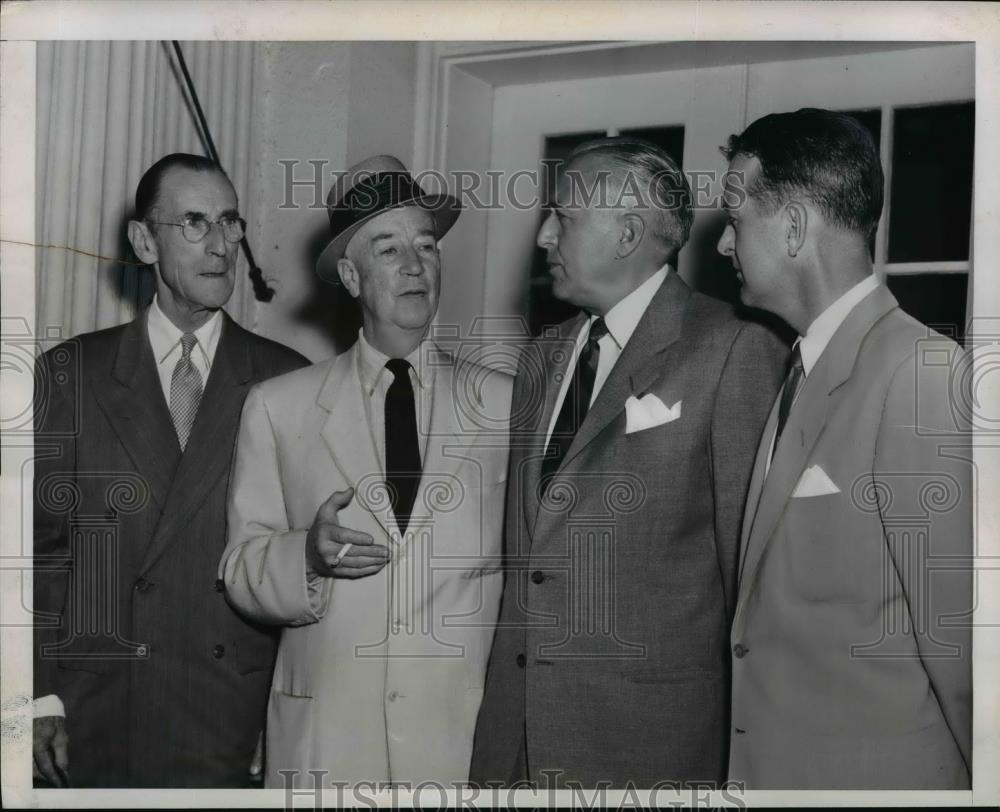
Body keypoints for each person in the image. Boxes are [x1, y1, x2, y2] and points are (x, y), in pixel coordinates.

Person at [469, 137, 787, 788]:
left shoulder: (735, 351)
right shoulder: (542, 356)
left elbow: (753, 590)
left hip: (651, 755)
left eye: (564, 217)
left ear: (627, 233)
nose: (543, 236)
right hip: (519, 748)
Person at [219, 155, 513, 788]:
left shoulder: (509, 403)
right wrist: (307, 558)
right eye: (388, 248)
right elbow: (241, 567)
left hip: (460, 742)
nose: (414, 264)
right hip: (328, 742)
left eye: (426, 245)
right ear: (350, 276)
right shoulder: (278, 405)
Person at [32, 153, 309, 787]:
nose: (222, 246)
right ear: (143, 240)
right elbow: (36, 553)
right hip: (92, 711)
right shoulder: (70, 374)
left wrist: (281, 714)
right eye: (194, 222)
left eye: (231, 222)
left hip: (228, 714)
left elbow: (297, 569)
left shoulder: (287, 378)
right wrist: (37, 700)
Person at [717, 108, 972, 789]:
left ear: (795, 226)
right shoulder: (802, 370)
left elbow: (967, 658)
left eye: (736, 220)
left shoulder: (919, 371)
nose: (722, 244)